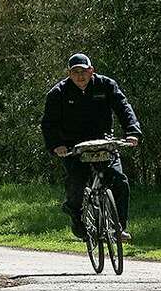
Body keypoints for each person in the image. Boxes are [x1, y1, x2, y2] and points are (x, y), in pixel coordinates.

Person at [41, 52, 141, 242]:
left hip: (104, 142)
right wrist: (57, 145)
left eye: (84, 71)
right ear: (69, 74)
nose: (80, 76)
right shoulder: (57, 93)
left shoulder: (106, 85)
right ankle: (76, 216)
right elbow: (48, 123)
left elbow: (124, 108)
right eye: (75, 72)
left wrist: (132, 132)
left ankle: (119, 228)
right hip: (73, 146)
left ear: (92, 71)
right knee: (76, 183)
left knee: (120, 181)